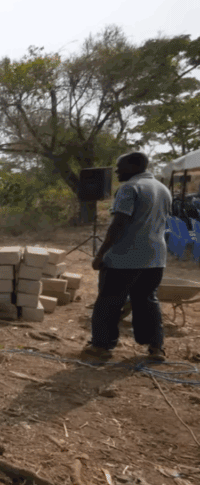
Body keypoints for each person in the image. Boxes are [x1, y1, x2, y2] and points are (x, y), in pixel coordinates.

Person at [82, 152, 172, 362]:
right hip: (155, 258)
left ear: (134, 166)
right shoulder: (163, 189)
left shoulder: (129, 188)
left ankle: (101, 346)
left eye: (120, 166)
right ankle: (156, 347)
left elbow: (119, 224)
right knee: (147, 301)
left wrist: (101, 254)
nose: (116, 171)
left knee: (109, 301)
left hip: (124, 257)